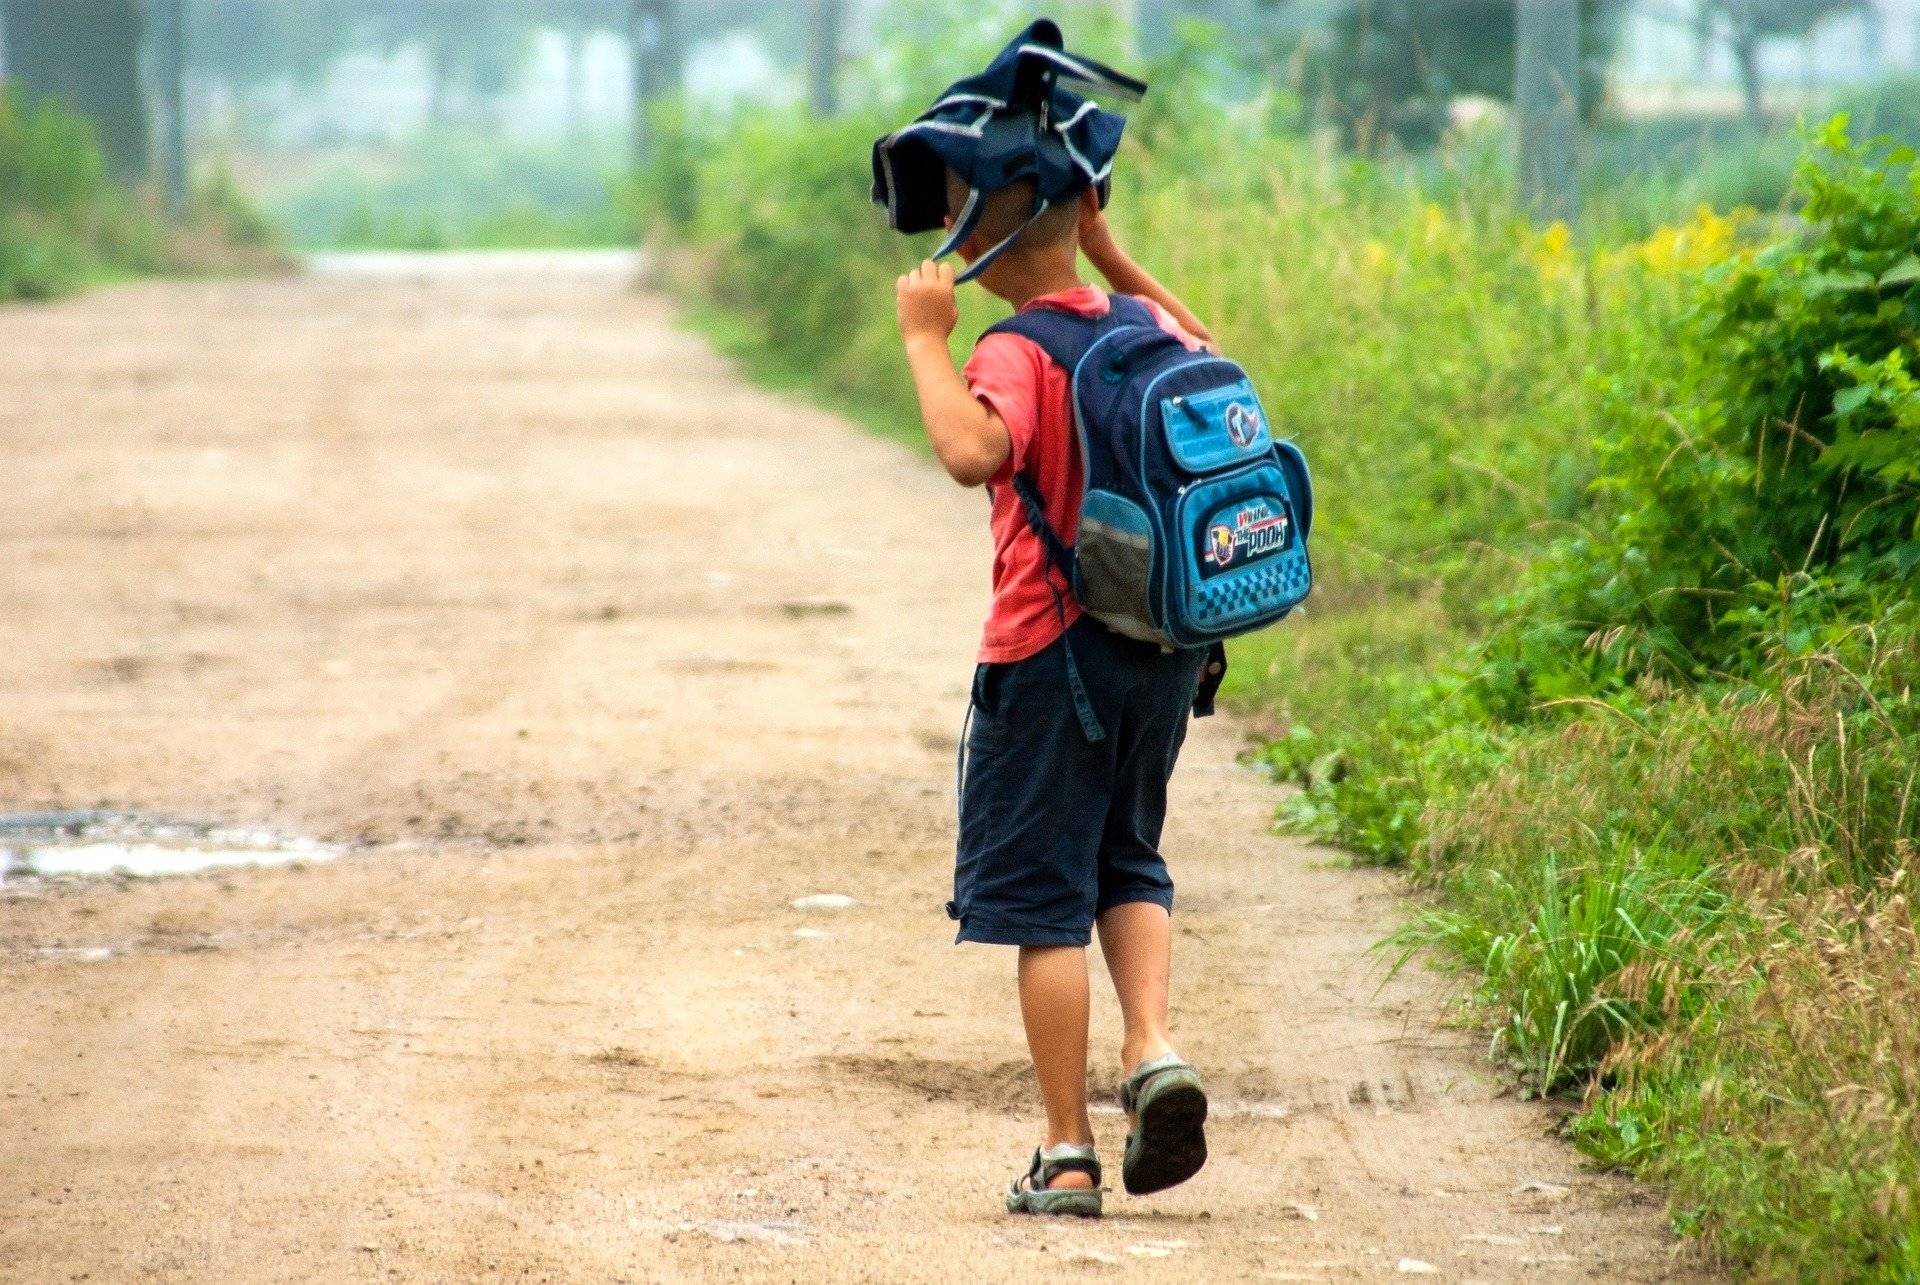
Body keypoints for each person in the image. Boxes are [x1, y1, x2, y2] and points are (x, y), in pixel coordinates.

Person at [879, 23, 1221, 1219]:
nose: (946, 233)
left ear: (994, 231)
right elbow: (1207, 346)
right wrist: (1117, 256)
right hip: (1157, 659)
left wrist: (928, 343)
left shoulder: (1016, 350)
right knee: (1131, 860)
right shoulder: (1138, 330)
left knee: (1040, 905)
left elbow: (973, 452)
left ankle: (1068, 1150)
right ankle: (1155, 1046)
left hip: (1045, 664)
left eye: (960, 210)